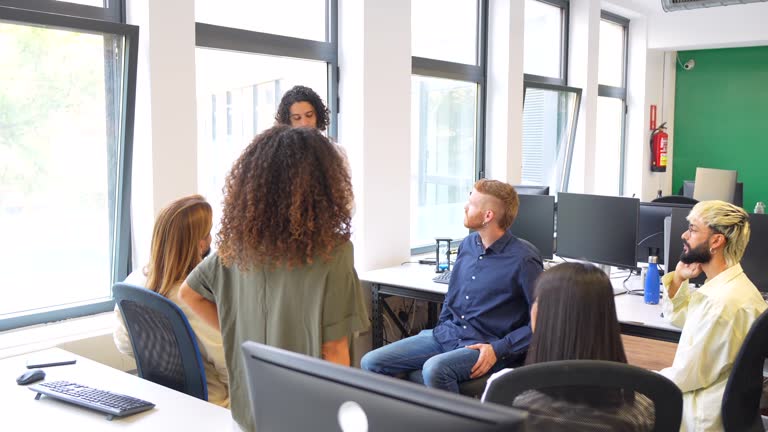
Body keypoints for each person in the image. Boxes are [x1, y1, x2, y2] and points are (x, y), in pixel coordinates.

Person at [178, 125, 369, 432]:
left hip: (249, 409)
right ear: (323, 186)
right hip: (306, 415)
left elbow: (190, 293)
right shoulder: (333, 253)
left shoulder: (235, 247)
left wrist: (235, 329)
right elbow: (335, 351)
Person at [361, 180, 543, 393]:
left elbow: (541, 325)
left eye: (472, 203)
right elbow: (453, 296)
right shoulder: (467, 245)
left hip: (483, 345)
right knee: (371, 362)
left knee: (434, 370)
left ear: (488, 216)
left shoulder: (524, 260)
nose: (465, 207)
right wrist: (445, 322)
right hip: (447, 335)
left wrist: (499, 349)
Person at [487, 263, 653, 431]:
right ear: (607, 320)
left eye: (537, 301)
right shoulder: (645, 405)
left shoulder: (506, 389)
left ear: (540, 316)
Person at [659, 200, 766, 431]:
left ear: (716, 241)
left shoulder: (722, 303)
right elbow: (682, 318)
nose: (684, 235)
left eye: (693, 229)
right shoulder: (730, 288)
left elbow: (685, 376)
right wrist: (678, 279)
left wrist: (633, 380)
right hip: (720, 413)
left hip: (699, 420)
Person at [113, 195, 229, 408]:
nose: (212, 240)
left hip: (160, 400)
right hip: (212, 405)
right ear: (200, 243)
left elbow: (124, 344)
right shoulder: (191, 297)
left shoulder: (134, 282)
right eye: (208, 233)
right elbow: (228, 364)